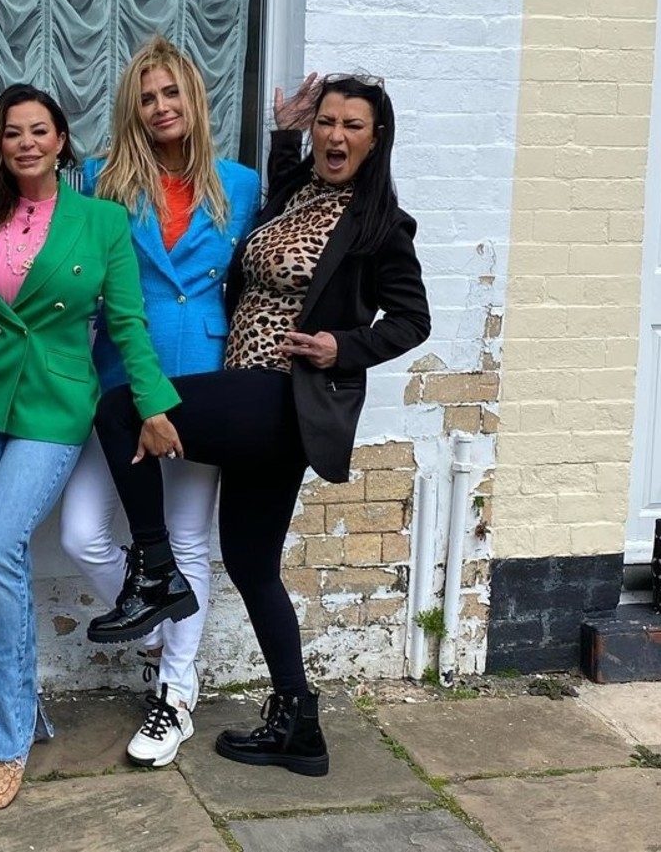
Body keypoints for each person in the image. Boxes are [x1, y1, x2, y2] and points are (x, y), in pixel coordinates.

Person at [87, 73, 431, 777]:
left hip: (281, 395)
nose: (335, 135)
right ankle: (299, 725)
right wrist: (283, 134)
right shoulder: (297, 193)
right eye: (327, 122)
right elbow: (275, 197)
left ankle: (155, 573)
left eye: (352, 126)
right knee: (250, 564)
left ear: (376, 139)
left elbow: (411, 318)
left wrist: (343, 346)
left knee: (123, 407)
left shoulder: (380, 224)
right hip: (246, 389)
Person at [0, 83, 182, 810]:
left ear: (60, 141)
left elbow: (127, 323)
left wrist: (153, 403)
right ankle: (21, 709)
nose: (26, 142)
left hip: (53, 405)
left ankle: (1, 738)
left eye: (39, 130)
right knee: (1, 561)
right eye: (11, 132)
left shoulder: (102, 219)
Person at [59, 37, 261, 767]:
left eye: (172, 92)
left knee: (186, 540)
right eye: (147, 97)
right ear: (132, 110)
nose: (160, 106)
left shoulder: (240, 184)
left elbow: (263, 269)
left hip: (203, 377)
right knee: (81, 531)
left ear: (194, 100)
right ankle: (155, 627)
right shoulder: (101, 180)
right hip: (122, 379)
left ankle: (175, 691)